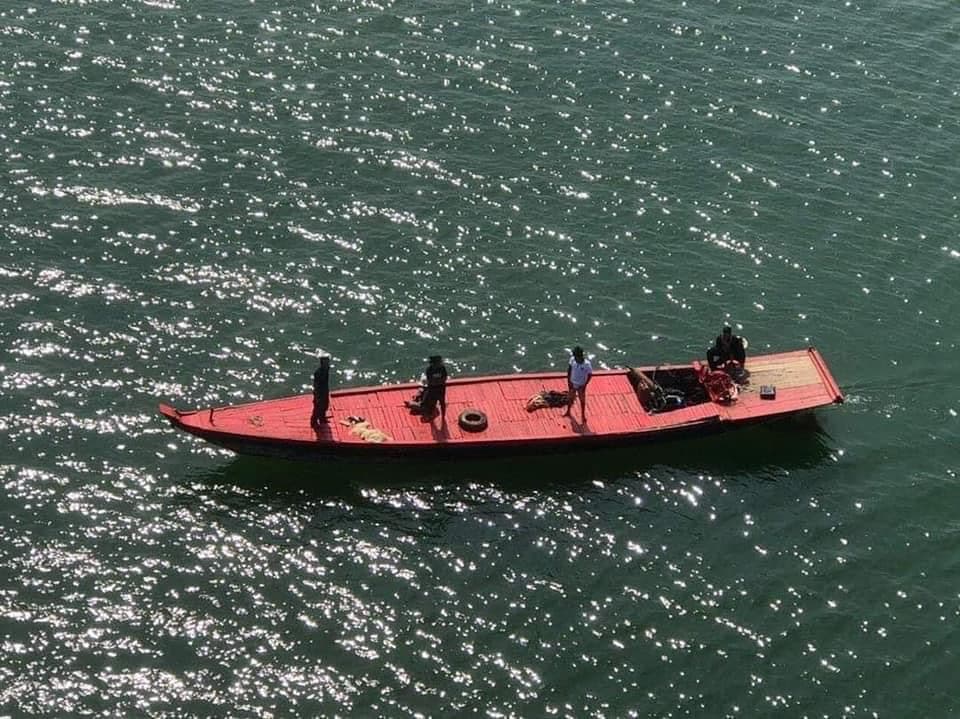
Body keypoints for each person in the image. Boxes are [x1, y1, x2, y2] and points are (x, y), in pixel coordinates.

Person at [563, 345, 592, 422]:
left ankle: (583, 415)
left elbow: (590, 375)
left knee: (582, 400)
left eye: (576, 356)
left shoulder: (587, 364)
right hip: (572, 383)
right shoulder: (572, 360)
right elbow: (569, 370)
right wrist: (569, 381)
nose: (575, 357)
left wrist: (584, 385)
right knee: (570, 398)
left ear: (580, 356)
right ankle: (568, 411)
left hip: (581, 385)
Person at [419, 355, 448, 420]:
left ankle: (443, 416)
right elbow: (430, 380)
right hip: (432, 388)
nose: (440, 364)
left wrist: (436, 381)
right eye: (438, 362)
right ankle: (431, 415)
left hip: (441, 388)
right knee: (432, 402)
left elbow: (444, 378)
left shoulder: (442, 368)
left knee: (442, 402)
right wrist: (438, 381)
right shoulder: (429, 369)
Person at [310, 355, 331, 429]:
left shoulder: (326, 370)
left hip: (324, 390)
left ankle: (322, 418)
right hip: (319, 392)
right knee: (318, 407)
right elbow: (316, 385)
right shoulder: (318, 372)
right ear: (322, 363)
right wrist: (317, 395)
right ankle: (313, 422)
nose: (327, 364)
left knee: (325, 405)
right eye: (326, 362)